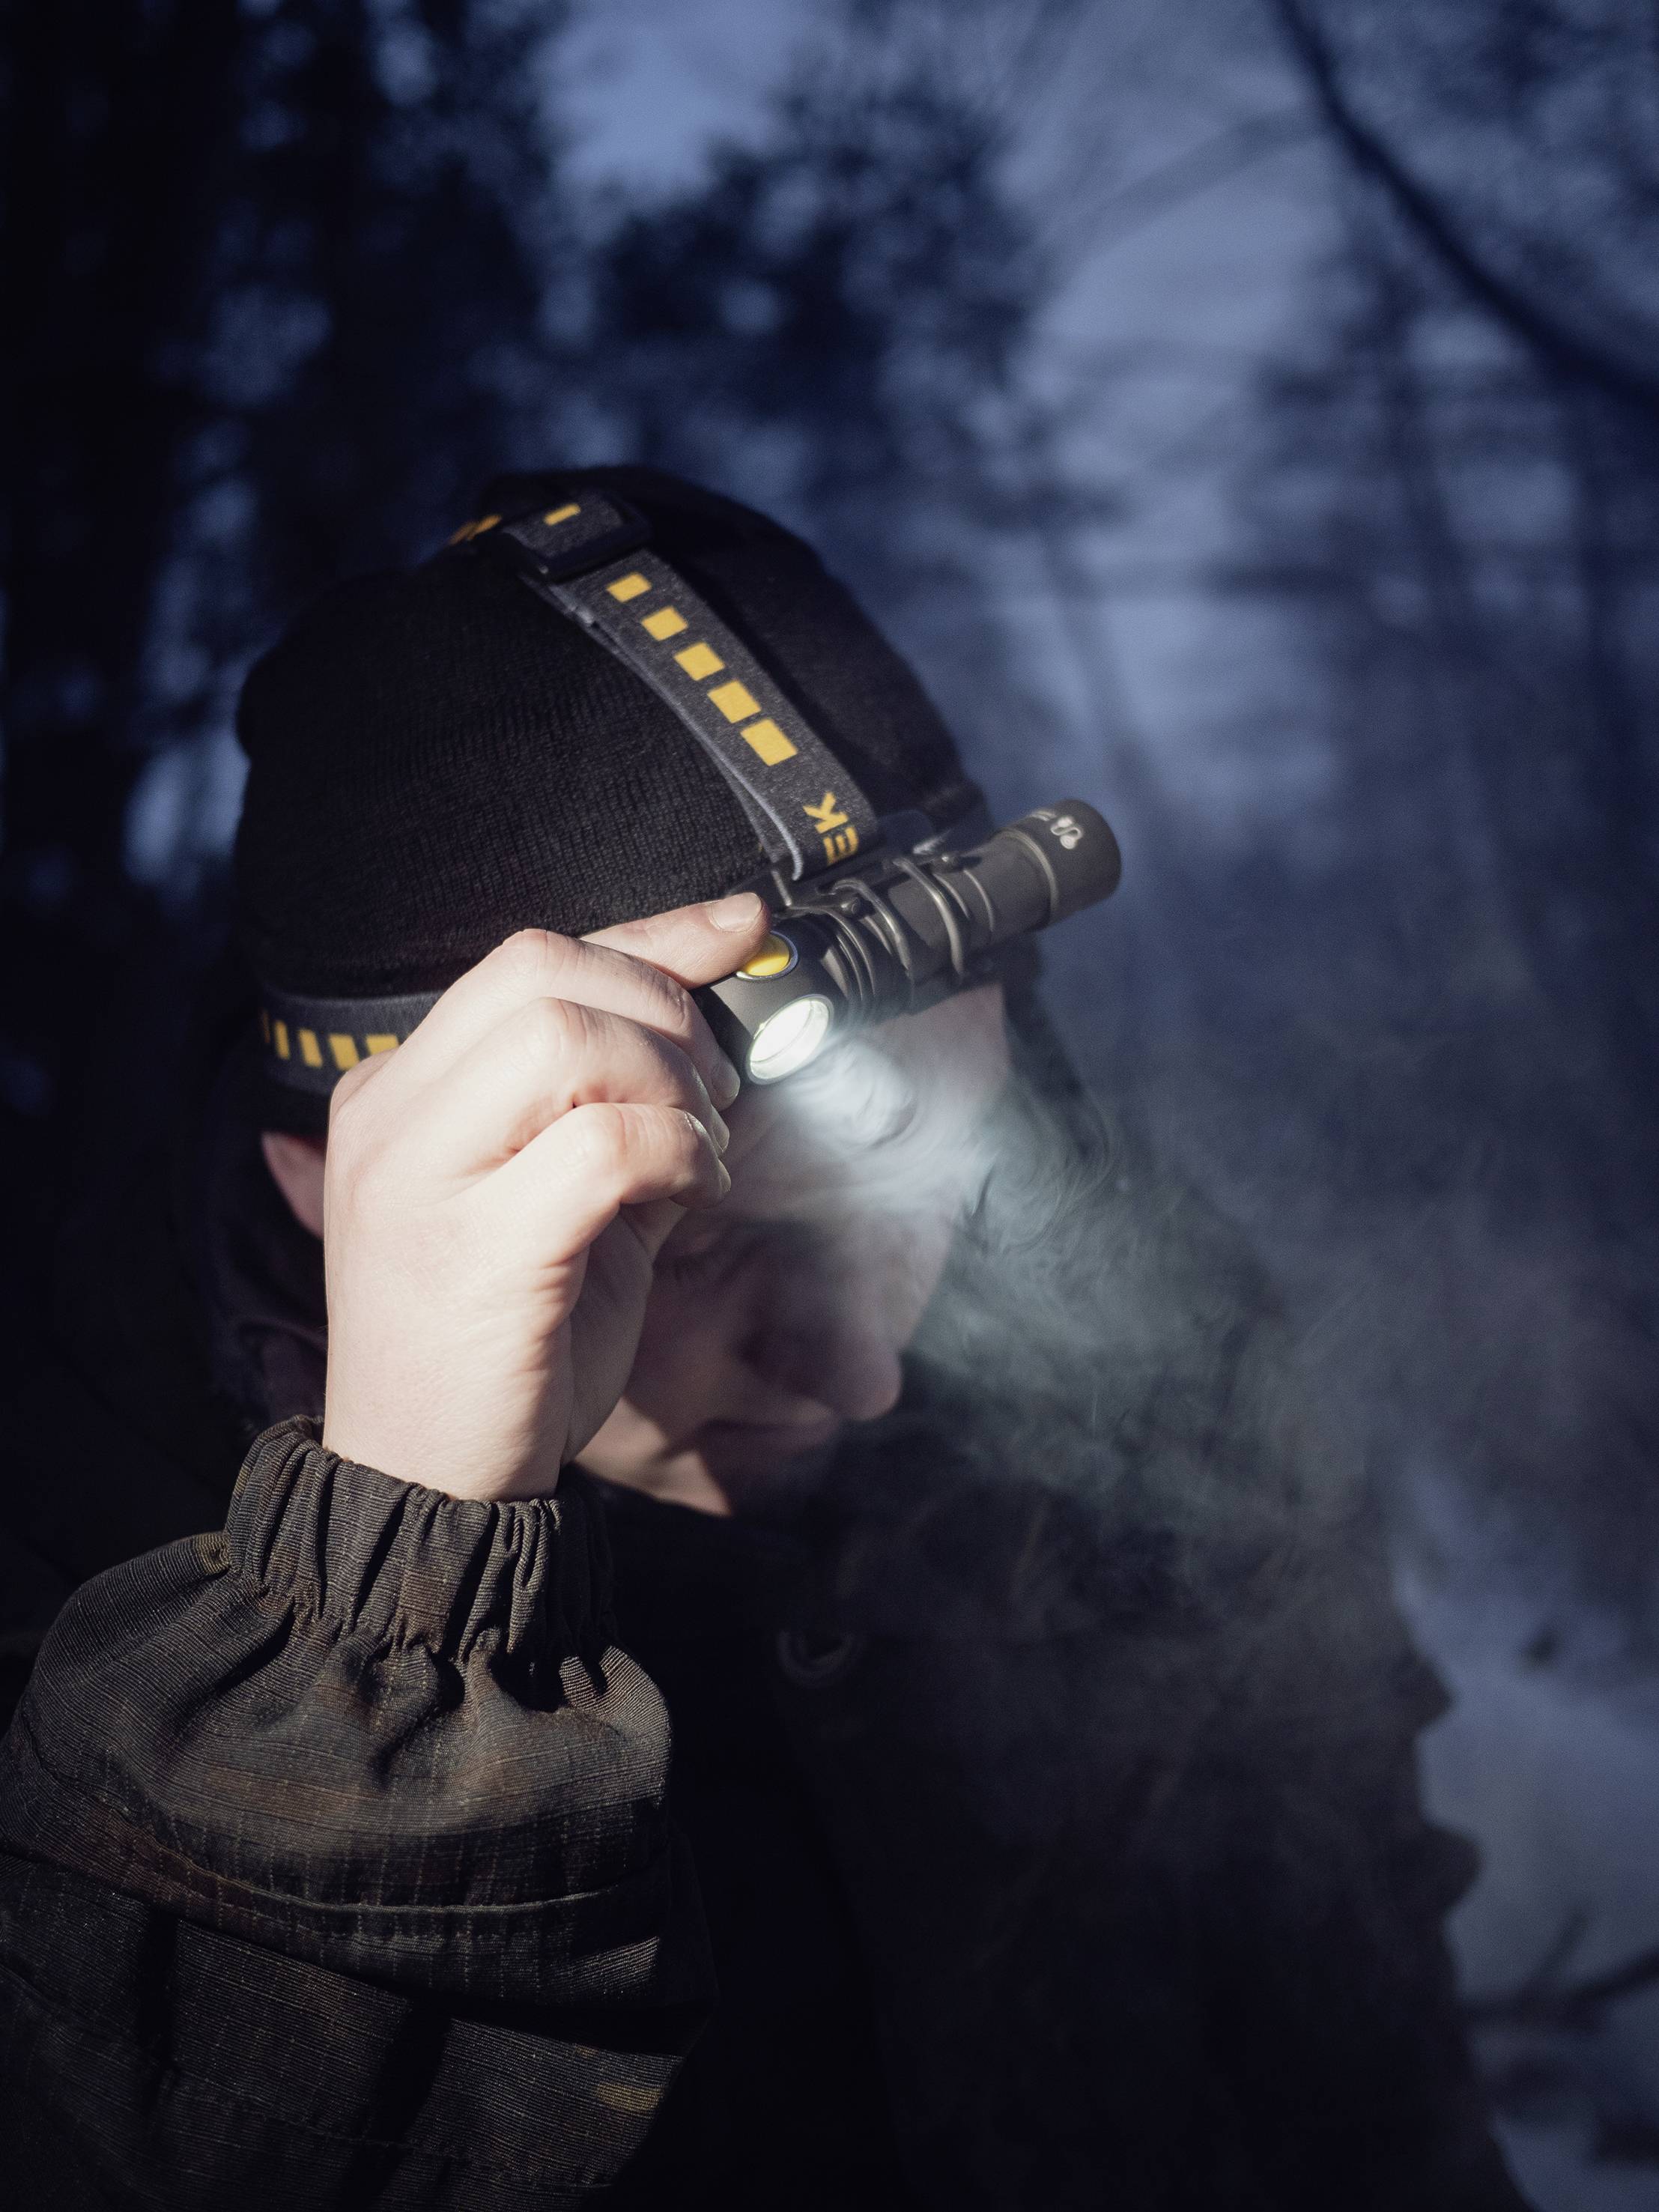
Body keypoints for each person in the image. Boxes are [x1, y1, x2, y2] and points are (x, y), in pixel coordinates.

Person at [0, 468, 1525, 2209]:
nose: (861, 1370)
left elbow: (1374, 2090)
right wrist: (381, 1604)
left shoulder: (1182, 1383)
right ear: (333, 1189)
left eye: (930, 1182)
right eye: (697, 1246)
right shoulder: (76, 1553)